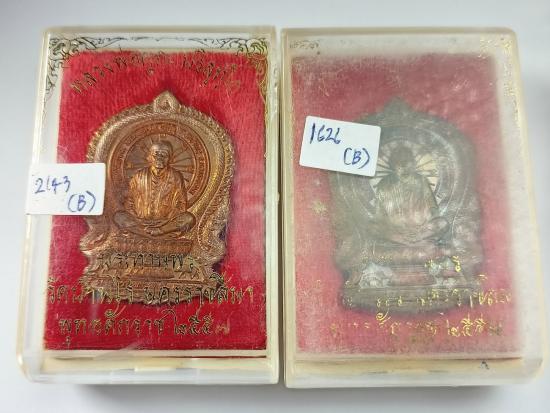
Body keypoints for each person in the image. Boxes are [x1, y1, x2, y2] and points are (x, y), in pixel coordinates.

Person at [114, 140, 195, 237]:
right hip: (140, 222)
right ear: (149, 157)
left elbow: (181, 204)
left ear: (170, 159)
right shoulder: (139, 176)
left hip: (165, 223)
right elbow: (129, 201)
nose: (159, 158)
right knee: (118, 216)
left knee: (189, 218)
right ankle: (147, 232)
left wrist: (167, 220)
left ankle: (157, 232)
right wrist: (137, 218)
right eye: (156, 154)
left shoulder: (176, 177)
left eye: (164, 154)